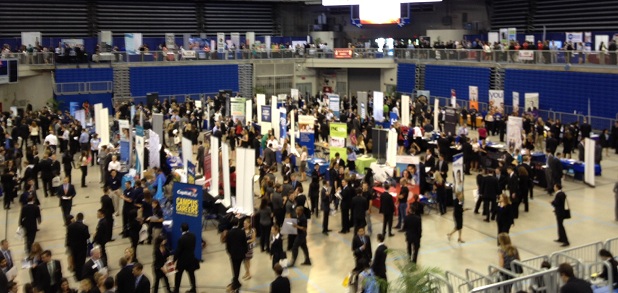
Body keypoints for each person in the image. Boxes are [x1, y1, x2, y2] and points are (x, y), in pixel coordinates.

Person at [173, 223, 199, 293]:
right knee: (191, 275)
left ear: (181, 229)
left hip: (182, 261)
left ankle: (176, 290)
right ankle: (194, 289)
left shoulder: (181, 239)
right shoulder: (193, 236)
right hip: (191, 259)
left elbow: (178, 251)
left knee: (178, 275)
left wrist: (174, 260)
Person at [66, 213, 90, 281]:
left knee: (75, 261)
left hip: (73, 247)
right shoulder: (84, 227)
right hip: (82, 247)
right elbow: (87, 236)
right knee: (81, 262)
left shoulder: (70, 226)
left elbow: (68, 236)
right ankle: (80, 275)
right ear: (82, 219)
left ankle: (76, 275)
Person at [226, 218, 248, 291]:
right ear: (238, 223)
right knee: (238, 268)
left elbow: (228, 245)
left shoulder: (229, 233)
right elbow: (244, 243)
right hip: (240, 254)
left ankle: (235, 282)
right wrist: (245, 251)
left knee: (234, 268)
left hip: (233, 254)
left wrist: (229, 252)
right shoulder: (241, 232)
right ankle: (236, 281)